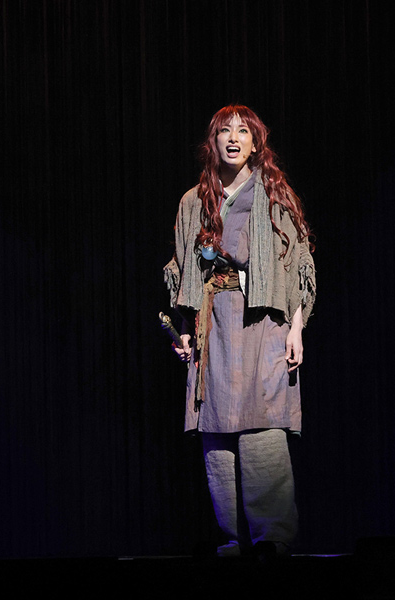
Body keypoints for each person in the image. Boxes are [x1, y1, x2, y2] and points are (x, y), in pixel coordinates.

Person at [164, 105, 315, 558]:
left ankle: (272, 537)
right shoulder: (193, 201)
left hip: (263, 319)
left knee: (262, 420)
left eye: (243, 131)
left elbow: (297, 264)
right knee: (216, 427)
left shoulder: (273, 194)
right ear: (211, 142)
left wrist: (297, 328)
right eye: (224, 131)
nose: (233, 138)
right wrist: (187, 328)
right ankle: (234, 536)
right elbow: (187, 269)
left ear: (255, 143)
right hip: (214, 322)